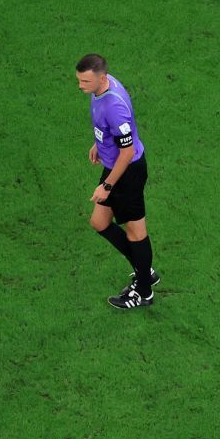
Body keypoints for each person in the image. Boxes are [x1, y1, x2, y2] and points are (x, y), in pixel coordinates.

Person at [75, 54, 158, 310]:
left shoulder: (114, 107)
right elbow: (116, 132)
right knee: (99, 222)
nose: (81, 86)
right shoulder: (101, 87)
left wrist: (107, 185)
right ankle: (144, 270)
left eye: (85, 81)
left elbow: (128, 152)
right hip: (115, 167)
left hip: (126, 173)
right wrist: (99, 144)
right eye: (79, 80)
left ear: (101, 77)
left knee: (136, 232)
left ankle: (143, 291)